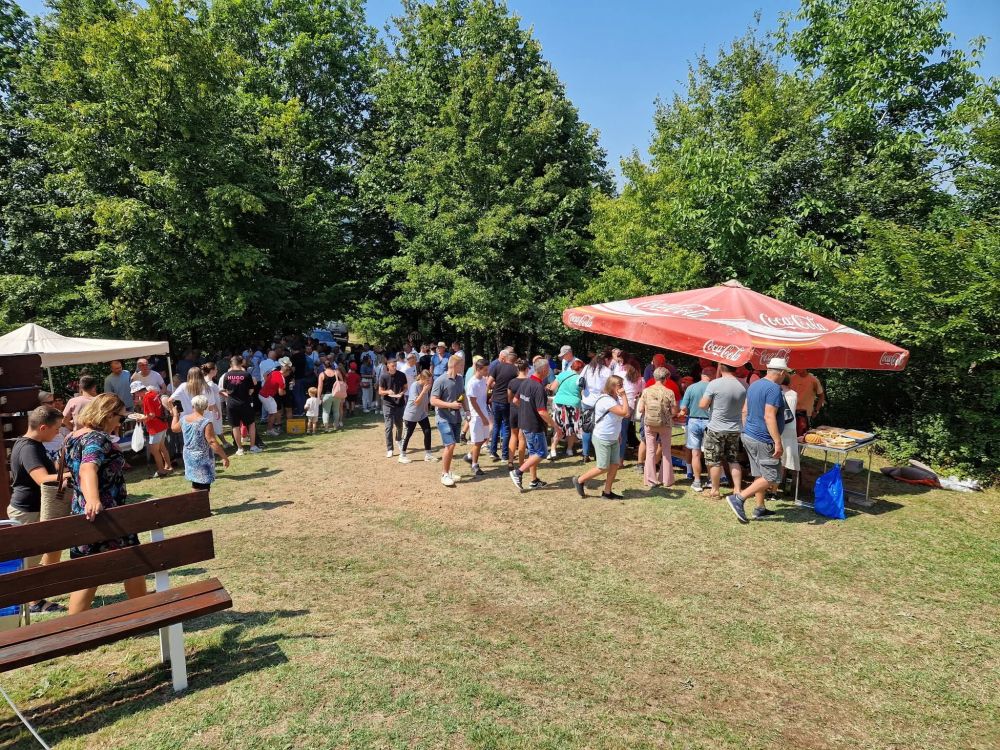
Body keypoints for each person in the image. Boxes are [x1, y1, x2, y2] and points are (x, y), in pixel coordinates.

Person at [64, 393, 148, 614]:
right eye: (120, 418)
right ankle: (143, 611)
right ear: (108, 415)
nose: (120, 424)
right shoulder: (97, 439)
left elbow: (73, 468)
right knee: (131, 563)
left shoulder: (73, 437)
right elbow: (87, 467)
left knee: (91, 572)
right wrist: (93, 500)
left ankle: (73, 625)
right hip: (106, 515)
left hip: (81, 513)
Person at [8, 405, 66, 613]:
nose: (57, 433)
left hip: (30, 509)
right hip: (27, 511)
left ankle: (38, 595)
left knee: (44, 554)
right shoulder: (29, 448)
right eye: (56, 429)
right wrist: (73, 474)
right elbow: (42, 479)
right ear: (43, 427)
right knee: (30, 561)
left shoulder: (33, 444)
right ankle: (34, 603)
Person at [726, 358, 790, 523]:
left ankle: (760, 508)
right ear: (782, 372)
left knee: (760, 474)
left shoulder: (754, 385)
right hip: (763, 438)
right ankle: (739, 498)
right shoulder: (774, 389)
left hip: (749, 435)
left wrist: (747, 429)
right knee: (771, 476)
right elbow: (769, 416)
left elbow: (745, 410)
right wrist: (777, 442)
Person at [573, 376, 630, 499]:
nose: (622, 388)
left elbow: (621, 416)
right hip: (603, 438)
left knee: (614, 465)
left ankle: (607, 492)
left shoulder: (614, 399)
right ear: (612, 386)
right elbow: (625, 413)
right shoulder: (606, 400)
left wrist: (618, 434)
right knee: (603, 467)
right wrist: (624, 396)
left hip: (613, 437)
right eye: (620, 385)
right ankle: (580, 480)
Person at [699, 362, 746, 499]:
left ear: (720, 368)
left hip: (716, 428)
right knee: (733, 460)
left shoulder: (714, 384)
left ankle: (715, 490)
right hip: (735, 428)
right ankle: (737, 489)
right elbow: (745, 408)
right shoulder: (744, 384)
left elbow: (703, 405)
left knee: (714, 460)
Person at [508, 357, 554, 492]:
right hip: (534, 425)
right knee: (542, 453)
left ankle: (534, 481)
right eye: (548, 369)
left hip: (524, 423)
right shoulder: (538, 387)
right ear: (544, 370)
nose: (549, 371)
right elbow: (542, 412)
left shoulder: (526, 382)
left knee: (533, 453)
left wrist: (526, 409)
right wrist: (555, 426)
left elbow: (515, 400)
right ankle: (518, 472)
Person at [171, 394, 229, 495]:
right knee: (204, 483)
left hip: (189, 455)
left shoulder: (184, 419)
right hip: (202, 457)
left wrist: (175, 415)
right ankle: (201, 504)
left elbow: (174, 428)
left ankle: (197, 503)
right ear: (205, 407)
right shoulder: (206, 422)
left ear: (193, 405)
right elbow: (212, 441)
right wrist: (224, 457)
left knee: (196, 482)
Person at [636, 367, 678, 489]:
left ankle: (650, 480)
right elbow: (674, 411)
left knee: (650, 451)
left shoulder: (646, 391)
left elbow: (640, 409)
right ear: (666, 378)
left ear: (654, 377)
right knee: (666, 451)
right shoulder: (669, 392)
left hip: (649, 423)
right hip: (665, 424)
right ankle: (666, 480)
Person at [430, 354, 467, 486]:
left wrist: (467, 411)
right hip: (443, 418)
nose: (463, 367)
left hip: (456, 418)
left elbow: (462, 395)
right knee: (450, 445)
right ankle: (444, 474)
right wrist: (450, 405)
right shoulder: (440, 380)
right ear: (455, 365)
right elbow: (433, 400)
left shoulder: (460, 379)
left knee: (452, 446)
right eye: (461, 365)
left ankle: (448, 471)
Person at [678, 366, 715, 491]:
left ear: (701, 375)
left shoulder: (691, 387)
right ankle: (711, 480)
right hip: (710, 421)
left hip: (693, 420)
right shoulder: (714, 387)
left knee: (695, 453)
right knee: (710, 453)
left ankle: (697, 481)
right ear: (712, 375)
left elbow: (683, 408)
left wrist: (681, 413)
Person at [129, 381, 172, 475]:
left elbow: (152, 415)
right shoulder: (153, 393)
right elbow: (154, 410)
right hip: (162, 424)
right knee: (162, 447)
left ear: (137, 391)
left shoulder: (146, 398)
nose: (135, 395)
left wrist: (141, 419)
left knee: (154, 450)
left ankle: (161, 470)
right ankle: (168, 466)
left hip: (155, 427)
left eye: (134, 393)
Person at [220, 355, 260, 455]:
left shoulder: (227, 375)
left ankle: (240, 449)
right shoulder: (246, 374)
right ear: (241, 363)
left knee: (235, 426)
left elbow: (226, 390)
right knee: (251, 424)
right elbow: (251, 390)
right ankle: (252, 446)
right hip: (245, 402)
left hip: (231, 403)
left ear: (231, 364)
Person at [579, 350, 612, 462]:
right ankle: (598, 453)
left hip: (587, 400)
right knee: (599, 428)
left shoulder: (587, 368)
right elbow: (609, 388)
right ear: (606, 360)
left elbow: (579, 382)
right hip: (600, 402)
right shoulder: (607, 371)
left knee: (586, 427)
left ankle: (585, 454)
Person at [486, 348, 518, 463]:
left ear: (506, 358)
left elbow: (488, 382)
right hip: (507, 401)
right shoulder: (515, 370)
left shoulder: (497, 367)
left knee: (496, 425)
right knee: (507, 427)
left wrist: (492, 392)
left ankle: (493, 451)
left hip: (495, 400)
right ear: (515, 361)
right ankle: (505, 455)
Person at [399, 370, 436, 464]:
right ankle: (402, 455)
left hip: (422, 414)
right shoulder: (415, 386)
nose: (430, 382)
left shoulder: (426, 386)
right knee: (408, 434)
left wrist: (426, 411)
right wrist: (424, 391)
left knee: (427, 431)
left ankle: (428, 455)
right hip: (411, 415)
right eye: (428, 380)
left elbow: (425, 401)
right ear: (422, 379)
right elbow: (416, 402)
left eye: (430, 380)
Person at [549, 358, 583, 458]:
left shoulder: (562, 374)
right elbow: (582, 393)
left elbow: (552, 388)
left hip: (559, 402)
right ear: (581, 368)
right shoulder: (581, 378)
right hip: (574, 403)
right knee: (572, 427)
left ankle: (553, 449)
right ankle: (569, 449)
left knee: (558, 426)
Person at [463, 358, 491, 477]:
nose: (487, 372)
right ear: (479, 369)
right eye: (485, 370)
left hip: (484, 413)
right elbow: (473, 402)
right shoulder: (472, 383)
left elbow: (483, 396)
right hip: (476, 416)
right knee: (478, 441)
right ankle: (475, 465)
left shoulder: (483, 380)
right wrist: (482, 416)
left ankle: (470, 456)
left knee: (484, 438)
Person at [378, 356, 409, 458]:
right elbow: (380, 391)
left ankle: (398, 439)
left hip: (399, 403)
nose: (395, 367)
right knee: (389, 427)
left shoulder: (402, 375)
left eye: (395, 365)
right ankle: (390, 449)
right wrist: (387, 391)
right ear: (388, 366)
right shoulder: (383, 376)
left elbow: (405, 387)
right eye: (393, 366)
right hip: (388, 404)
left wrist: (402, 393)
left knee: (399, 426)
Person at [778, 373, 800, 493]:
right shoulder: (794, 394)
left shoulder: (778, 394)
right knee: (787, 456)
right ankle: (782, 482)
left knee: (778, 456)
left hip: (780, 426)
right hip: (791, 427)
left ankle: (775, 484)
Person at [619, 363, 644, 464]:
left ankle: (615, 458)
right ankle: (620, 460)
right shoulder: (640, 380)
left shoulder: (620, 374)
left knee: (617, 432)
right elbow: (642, 393)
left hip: (618, 404)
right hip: (629, 407)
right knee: (623, 432)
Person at [789, 367, 825, 435]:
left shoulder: (813, 380)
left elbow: (821, 396)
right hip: (791, 412)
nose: (795, 368)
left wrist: (816, 410)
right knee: (791, 435)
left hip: (806, 414)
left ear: (804, 367)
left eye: (798, 366)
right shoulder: (791, 378)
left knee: (803, 435)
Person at [259, 362, 289, 436]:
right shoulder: (282, 380)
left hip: (262, 393)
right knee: (273, 413)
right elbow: (281, 393)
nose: (288, 375)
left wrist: (268, 384)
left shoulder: (274, 372)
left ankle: (270, 428)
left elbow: (265, 375)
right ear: (287, 372)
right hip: (267, 396)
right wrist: (285, 392)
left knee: (272, 412)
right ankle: (269, 430)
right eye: (289, 373)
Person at [316, 358, 342, 431]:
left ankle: (326, 428)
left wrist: (318, 397)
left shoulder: (322, 374)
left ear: (324, 366)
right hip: (336, 394)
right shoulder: (337, 372)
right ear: (332, 365)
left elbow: (320, 387)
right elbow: (342, 382)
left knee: (325, 412)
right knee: (336, 411)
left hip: (326, 395)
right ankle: (336, 426)